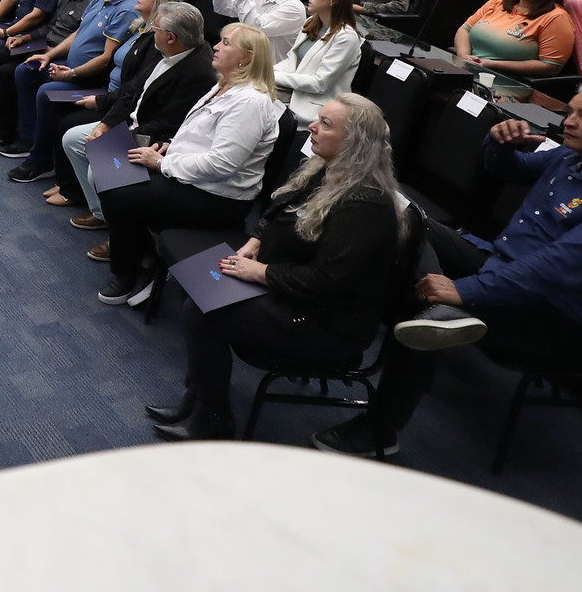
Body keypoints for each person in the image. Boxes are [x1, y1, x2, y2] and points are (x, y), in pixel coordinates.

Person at [312, 85, 582, 458]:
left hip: (561, 314)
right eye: (572, 111)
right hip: (503, 268)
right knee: (408, 220)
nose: (570, 121)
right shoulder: (569, 158)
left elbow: (556, 269)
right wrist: (498, 143)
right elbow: (503, 168)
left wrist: (465, 290)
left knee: (428, 316)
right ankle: (431, 312)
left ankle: (378, 431)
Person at [151, 94, 405, 442]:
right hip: (294, 292)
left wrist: (262, 273)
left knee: (202, 313)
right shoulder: (329, 170)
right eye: (318, 119)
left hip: (327, 324)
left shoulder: (365, 202)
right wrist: (256, 241)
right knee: (198, 284)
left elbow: (329, 281)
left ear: (354, 142)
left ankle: (214, 419)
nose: (312, 127)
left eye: (326, 124)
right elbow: (276, 211)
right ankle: (196, 399)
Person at [95, 23, 285, 308]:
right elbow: (201, 135)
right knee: (113, 174)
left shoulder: (250, 103)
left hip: (218, 197)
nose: (217, 46)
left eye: (226, 43)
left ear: (246, 57)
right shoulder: (223, 85)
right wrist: (170, 145)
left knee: (119, 193)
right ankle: (144, 254)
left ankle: (130, 269)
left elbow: (223, 163)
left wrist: (162, 162)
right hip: (191, 178)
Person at [56, 0, 208, 231]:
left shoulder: (198, 72)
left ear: (171, 37)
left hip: (152, 137)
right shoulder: (165, 50)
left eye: (156, 28)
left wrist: (115, 139)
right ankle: (103, 214)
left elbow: (167, 123)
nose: (151, 31)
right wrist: (104, 126)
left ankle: (119, 230)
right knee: (73, 139)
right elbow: (130, 92)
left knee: (96, 170)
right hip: (131, 123)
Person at [0, 0, 141, 171]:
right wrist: (49, 54)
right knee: (26, 71)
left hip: (91, 79)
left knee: (46, 91)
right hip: (70, 65)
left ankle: (40, 160)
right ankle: (27, 138)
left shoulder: (126, 9)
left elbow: (105, 59)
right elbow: (78, 34)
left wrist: (72, 74)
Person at [455, 0, 576, 79]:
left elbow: (550, 66)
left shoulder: (556, 18)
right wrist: (464, 56)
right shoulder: (500, 0)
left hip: (508, 81)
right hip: (467, 69)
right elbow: (464, 30)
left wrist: (491, 64)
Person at [273, 0, 364, 128]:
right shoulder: (311, 23)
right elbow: (291, 61)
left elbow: (320, 84)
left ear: (333, 1)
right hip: (290, 94)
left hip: (313, 108)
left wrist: (273, 76)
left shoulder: (346, 37)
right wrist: (265, 71)